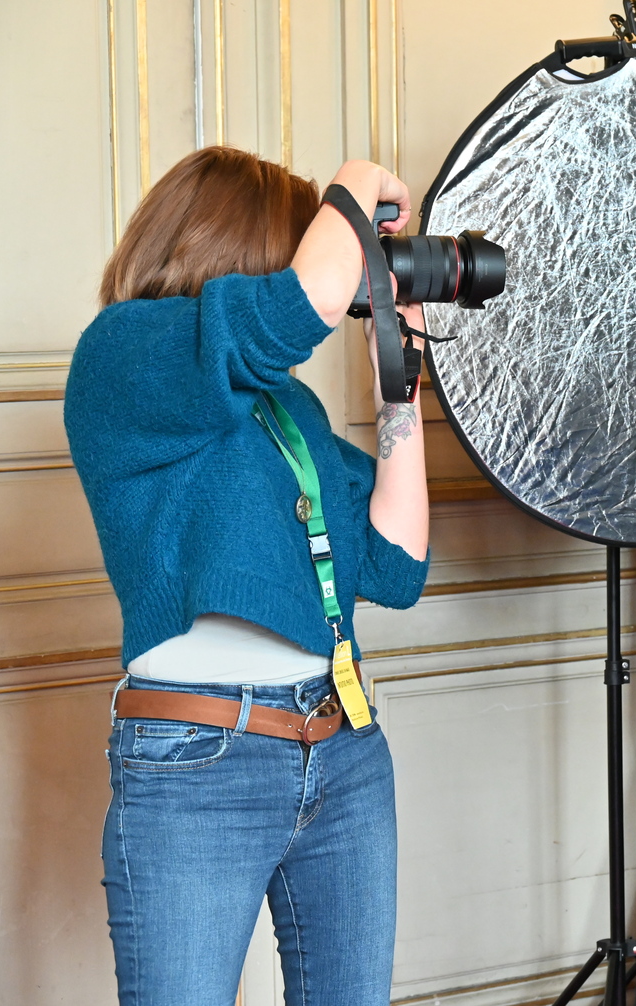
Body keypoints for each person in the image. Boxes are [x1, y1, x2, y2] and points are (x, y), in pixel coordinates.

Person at [65, 145, 431, 1005]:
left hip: (342, 749)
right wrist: (357, 181)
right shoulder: (120, 354)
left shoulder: (285, 410)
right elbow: (294, 307)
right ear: (238, 247)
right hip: (202, 762)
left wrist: (398, 383)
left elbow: (396, 565)